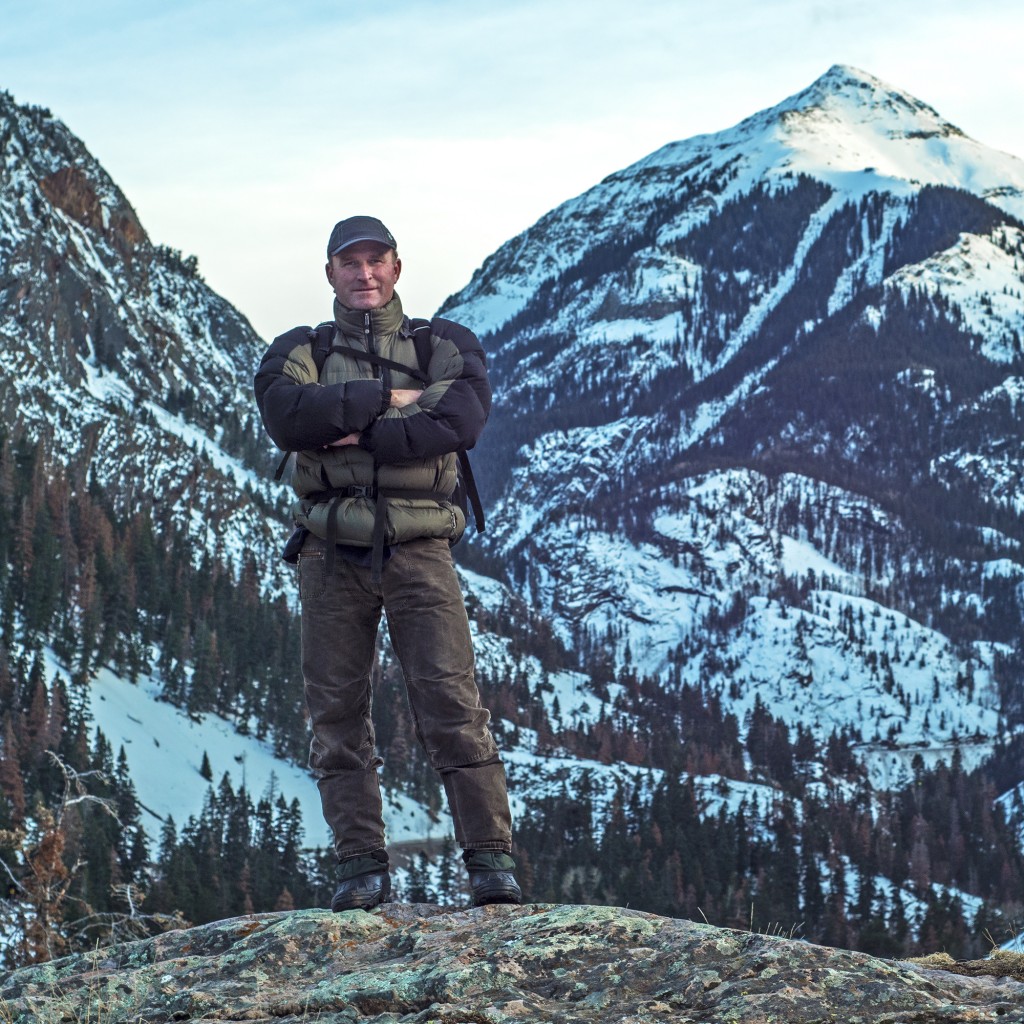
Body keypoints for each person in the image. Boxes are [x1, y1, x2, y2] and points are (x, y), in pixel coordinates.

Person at [254, 215, 520, 911]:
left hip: (421, 550)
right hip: (327, 554)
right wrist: (394, 403)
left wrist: (345, 427)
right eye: (350, 262)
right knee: (336, 716)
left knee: (451, 703)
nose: (364, 273)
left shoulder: (445, 343)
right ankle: (360, 868)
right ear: (330, 273)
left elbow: (459, 421)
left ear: (397, 268)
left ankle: (492, 862)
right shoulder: (298, 350)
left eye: (376, 261)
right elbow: (287, 417)